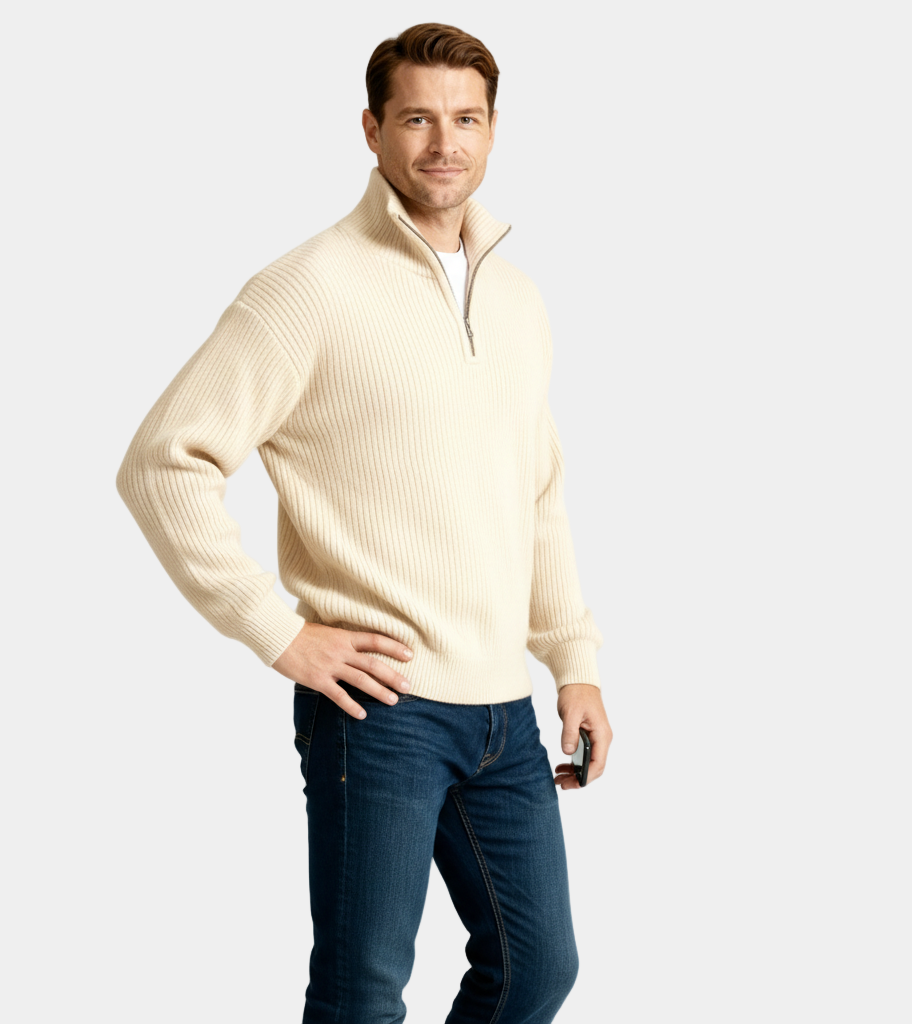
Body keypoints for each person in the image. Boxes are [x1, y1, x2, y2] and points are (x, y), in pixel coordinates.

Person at [116, 21, 612, 1024]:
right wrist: (277, 630)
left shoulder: (517, 300)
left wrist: (574, 661)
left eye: (466, 118)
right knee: (361, 996)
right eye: (417, 119)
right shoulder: (307, 288)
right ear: (372, 130)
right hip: (379, 709)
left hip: (502, 710)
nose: (445, 142)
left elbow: (538, 492)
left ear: (493, 128)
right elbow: (164, 461)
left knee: (536, 970)